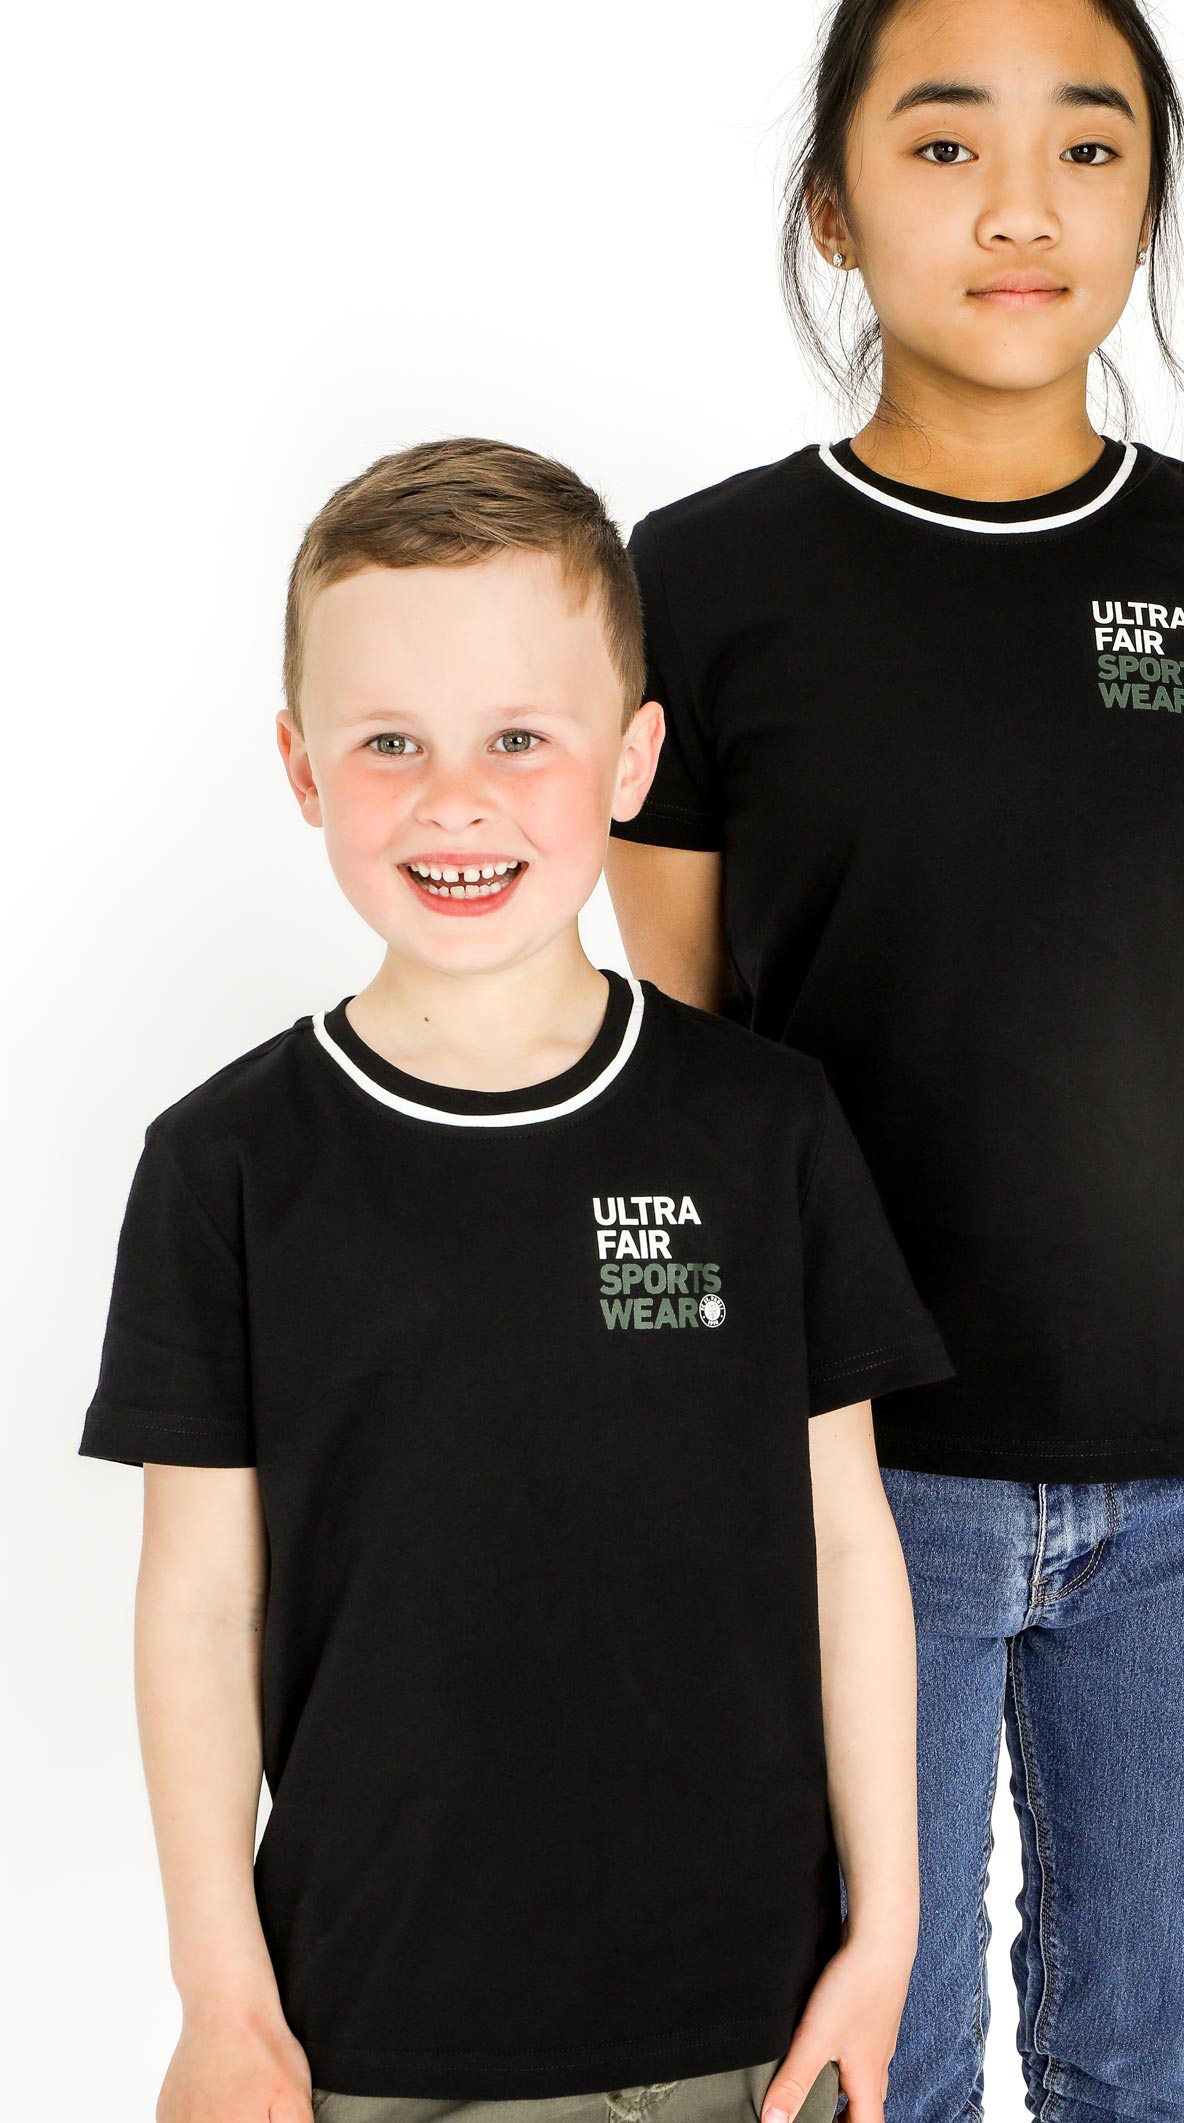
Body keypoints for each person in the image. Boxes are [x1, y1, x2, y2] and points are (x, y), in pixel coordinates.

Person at [603, 3, 1184, 2120]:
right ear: (835, 209)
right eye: (947, 146)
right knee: (874, 2064)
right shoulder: (701, 583)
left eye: (1092, 148)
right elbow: (691, 1034)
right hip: (855, 1476)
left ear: (1147, 199)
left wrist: (1121, 1237)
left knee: (1150, 2052)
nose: (1024, 209)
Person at [77, 436, 956, 2123]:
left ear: (633, 759)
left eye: (517, 739)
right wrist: (222, 2001)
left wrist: (889, 1929)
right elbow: (196, 1606)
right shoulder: (224, 1164)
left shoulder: (765, 1127)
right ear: (301, 765)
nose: (454, 799)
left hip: (737, 2028)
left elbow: (850, 1547)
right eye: (390, 742)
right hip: (361, 2036)